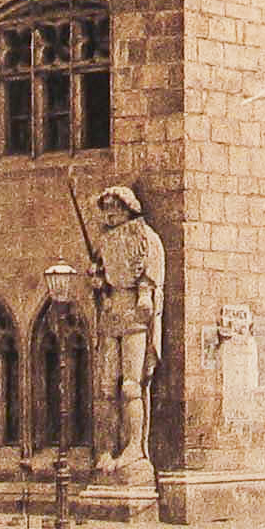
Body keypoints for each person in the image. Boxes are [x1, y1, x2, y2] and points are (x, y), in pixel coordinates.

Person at [91, 184, 166, 477]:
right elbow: (101, 273)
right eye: (106, 209)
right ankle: (107, 448)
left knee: (131, 385)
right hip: (111, 315)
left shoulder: (146, 237)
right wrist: (98, 283)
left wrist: (145, 292)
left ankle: (134, 446)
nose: (110, 214)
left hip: (135, 316)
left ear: (128, 208)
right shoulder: (105, 242)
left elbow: (152, 270)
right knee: (106, 387)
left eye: (115, 208)